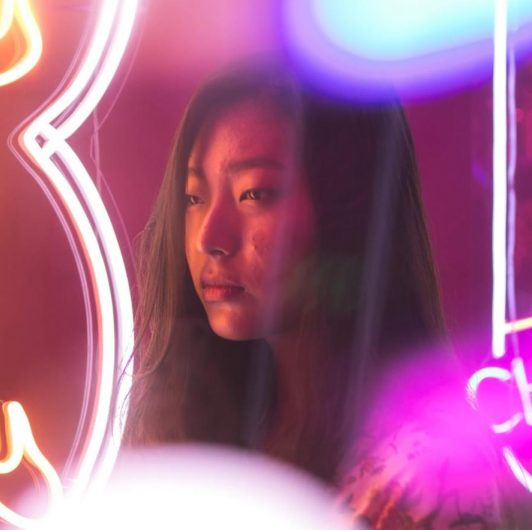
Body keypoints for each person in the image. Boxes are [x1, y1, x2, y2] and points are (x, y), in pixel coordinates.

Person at [123, 60, 517, 528]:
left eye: (255, 193)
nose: (210, 235)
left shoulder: (416, 475)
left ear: (348, 212)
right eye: (193, 197)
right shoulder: (224, 426)